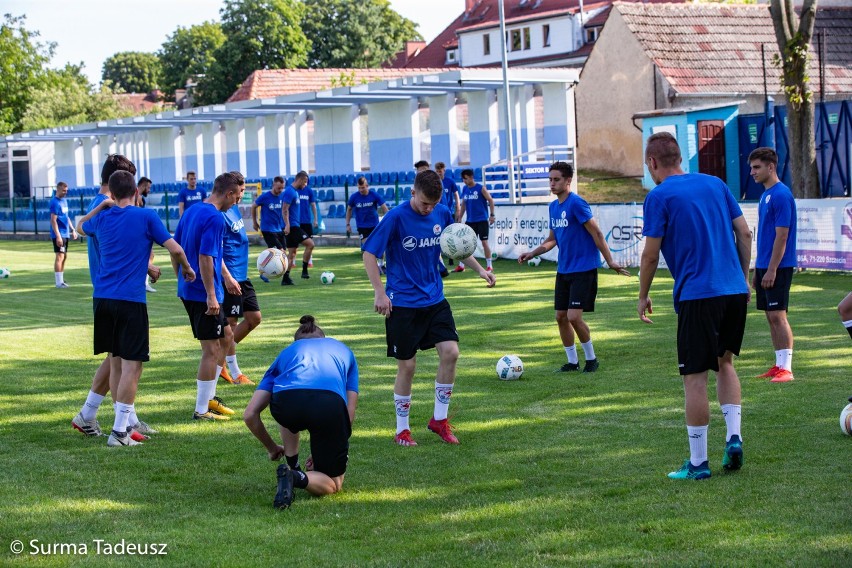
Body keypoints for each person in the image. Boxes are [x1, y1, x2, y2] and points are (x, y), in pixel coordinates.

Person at [638, 132, 752, 480]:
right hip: (733, 289)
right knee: (726, 363)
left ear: (653, 163)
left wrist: (643, 295)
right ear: (680, 157)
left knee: (695, 378)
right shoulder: (716, 184)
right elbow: (745, 234)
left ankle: (699, 463)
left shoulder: (659, 196)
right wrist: (743, 278)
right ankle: (733, 436)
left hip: (697, 295)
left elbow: (650, 253)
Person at [362, 170, 496, 447]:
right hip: (403, 303)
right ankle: (402, 430)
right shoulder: (396, 217)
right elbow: (369, 253)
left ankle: (439, 420)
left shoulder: (442, 213)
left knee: (451, 352)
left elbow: (457, 246)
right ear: (413, 192)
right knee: (408, 367)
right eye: (424, 203)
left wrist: (481, 270)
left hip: (435, 299)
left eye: (433, 204)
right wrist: (379, 291)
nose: (428, 209)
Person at [76, 170, 194, 447]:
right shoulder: (146, 217)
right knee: (133, 365)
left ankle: (120, 427)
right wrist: (187, 270)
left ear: (112, 194)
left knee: (116, 361)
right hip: (130, 301)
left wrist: (101, 207)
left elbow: (80, 227)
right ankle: (119, 433)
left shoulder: (102, 218)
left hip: (102, 299)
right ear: (137, 192)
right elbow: (175, 249)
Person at [72, 154, 159, 441]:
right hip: (114, 291)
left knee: (116, 358)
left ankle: (94, 415)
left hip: (108, 289)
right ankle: (121, 423)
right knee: (122, 359)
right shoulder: (104, 206)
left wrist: (145, 265)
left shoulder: (100, 207)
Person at [518, 162, 630, 373]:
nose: (552, 183)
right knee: (560, 317)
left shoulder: (577, 204)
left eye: (556, 179)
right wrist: (533, 252)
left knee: (573, 317)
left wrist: (610, 260)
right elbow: (552, 240)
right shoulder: (553, 207)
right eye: (550, 179)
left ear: (568, 181)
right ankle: (572, 362)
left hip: (584, 269)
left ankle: (591, 359)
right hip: (564, 270)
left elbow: (596, 233)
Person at [243, 315, 358, 509]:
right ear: (324, 338)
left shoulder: (286, 353)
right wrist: (327, 449)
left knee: (286, 400)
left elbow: (250, 414)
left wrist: (272, 448)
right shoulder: (344, 350)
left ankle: (292, 462)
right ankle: (294, 476)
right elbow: (349, 410)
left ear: (296, 343)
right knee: (334, 484)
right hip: (328, 405)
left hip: (286, 404)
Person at [174, 172, 242, 421]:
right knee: (211, 349)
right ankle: (201, 410)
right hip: (203, 294)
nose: (239, 201)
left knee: (226, 336)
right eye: (239, 195)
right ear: (229, 193)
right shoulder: (214, 217)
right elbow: (204, 257)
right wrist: (211, 295)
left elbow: (177, 247)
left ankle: (210, 399)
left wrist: (225, 277)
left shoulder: (193, 210)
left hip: (196, 289)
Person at [749, 147, 797, 383]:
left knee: (779, 315)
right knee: (770, 316)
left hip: (779, 266)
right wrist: (759, 268)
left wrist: (772, 269)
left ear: (771, 167)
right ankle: (778, 365)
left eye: (756, 167)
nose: (752, 172)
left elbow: (782, 235)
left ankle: (787, 369)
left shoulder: (781, 195)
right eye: (751, 167)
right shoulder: (765, 195)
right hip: (765, 265)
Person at [218, 171, 260, 386]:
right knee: (231, 323)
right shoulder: (221, 212)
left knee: (254, 318)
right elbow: (216, 249)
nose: (242, 195)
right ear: (230, 191)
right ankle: (234, 372)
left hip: (243, 275)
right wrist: (226, 276)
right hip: (231, 276)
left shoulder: (233, 209)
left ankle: (222, 355)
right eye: (240, 191)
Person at [455, 168, 496, 273]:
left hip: (481, 220)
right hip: (470, 221)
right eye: (463, 179)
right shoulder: (465, 189)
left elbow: (491, 200)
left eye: (466, 178)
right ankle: (461, 266)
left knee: (484, 243)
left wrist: (492, 215)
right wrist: (460, 216)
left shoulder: (481, 188)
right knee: (465, 243)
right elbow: (464, 204)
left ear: (471, 177)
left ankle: (489, 266)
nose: (464, 181)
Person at [345, 176, 388, 272]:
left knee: (380, 246)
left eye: (363, 187)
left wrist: (388, 219)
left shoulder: (374, 195)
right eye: (359, 188)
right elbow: (349, 209)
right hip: (362, 227)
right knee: (369, 248)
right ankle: (376, 267)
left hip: (375, 225)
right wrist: (347, 224)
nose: (361, 190)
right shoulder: (354, 197)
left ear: (367, 186)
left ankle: (382, 264)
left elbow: (384, 207)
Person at [252, 176, 287, 283]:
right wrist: (255, 222)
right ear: (274, 185)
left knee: (282, 253)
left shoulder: (282, 197)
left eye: (282, 188)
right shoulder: (265, 197)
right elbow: (253, 206)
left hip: (278, 228)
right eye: (278, 188)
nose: (280, 190)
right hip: (267, 229)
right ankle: (285, 278)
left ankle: (264, 272)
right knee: (280, 252)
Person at [281, 172, 315, 283]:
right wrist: (287, 224)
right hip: (293, 227)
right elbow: (284, 209)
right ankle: (304, 271)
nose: (305, 184)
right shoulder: (290, 192)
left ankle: (285, 278)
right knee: (310, 244)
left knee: (292, 254)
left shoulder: (294, 192)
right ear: (300, 179)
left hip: (294, 226)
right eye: (305, 182)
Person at [49, 182, 78, 288]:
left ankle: (61, 280)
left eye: (66, 190)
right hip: (59, 233)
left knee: (64, 256)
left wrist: (73, 229)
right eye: (64, 190)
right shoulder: (54, 202)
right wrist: (58, 236)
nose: (66, 192)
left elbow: (67, 217)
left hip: (65, 233)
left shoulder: (64, 201)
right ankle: (58, 282)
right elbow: (53, 220)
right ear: (58, 189)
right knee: (60, 256)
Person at [136, 177, 157, 293]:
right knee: (149, 255)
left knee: (150, 255)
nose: (149, 190)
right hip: (140, 233)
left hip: (141, 232)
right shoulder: (137, 197)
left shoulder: (137, 197)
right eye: (148, 187)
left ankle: (143, 282)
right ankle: (144, 283)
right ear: (143, 186)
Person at [297, 179, 319, 268]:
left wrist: (315, 219)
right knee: (294, 243)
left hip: (307, 221)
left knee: (310, 242)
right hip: (296, 222)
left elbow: (313, 205)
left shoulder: (309, 191)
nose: (305, 183)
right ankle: (293, 262)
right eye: (304, 181)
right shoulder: (294, 191)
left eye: (306, 182)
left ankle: (309, 261)